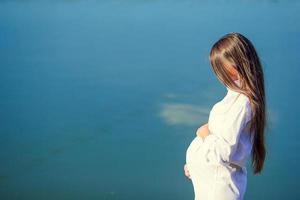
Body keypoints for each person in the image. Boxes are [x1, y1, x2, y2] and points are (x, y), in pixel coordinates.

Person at [184, 32, 267, 200]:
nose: (219, 75)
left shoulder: (242, 103)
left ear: (238, 65)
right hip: (212, 185)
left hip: (219, 190)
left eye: (221, 68)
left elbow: (222, 151)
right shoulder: (235, 97)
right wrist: (196, 165)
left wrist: (204, 132)